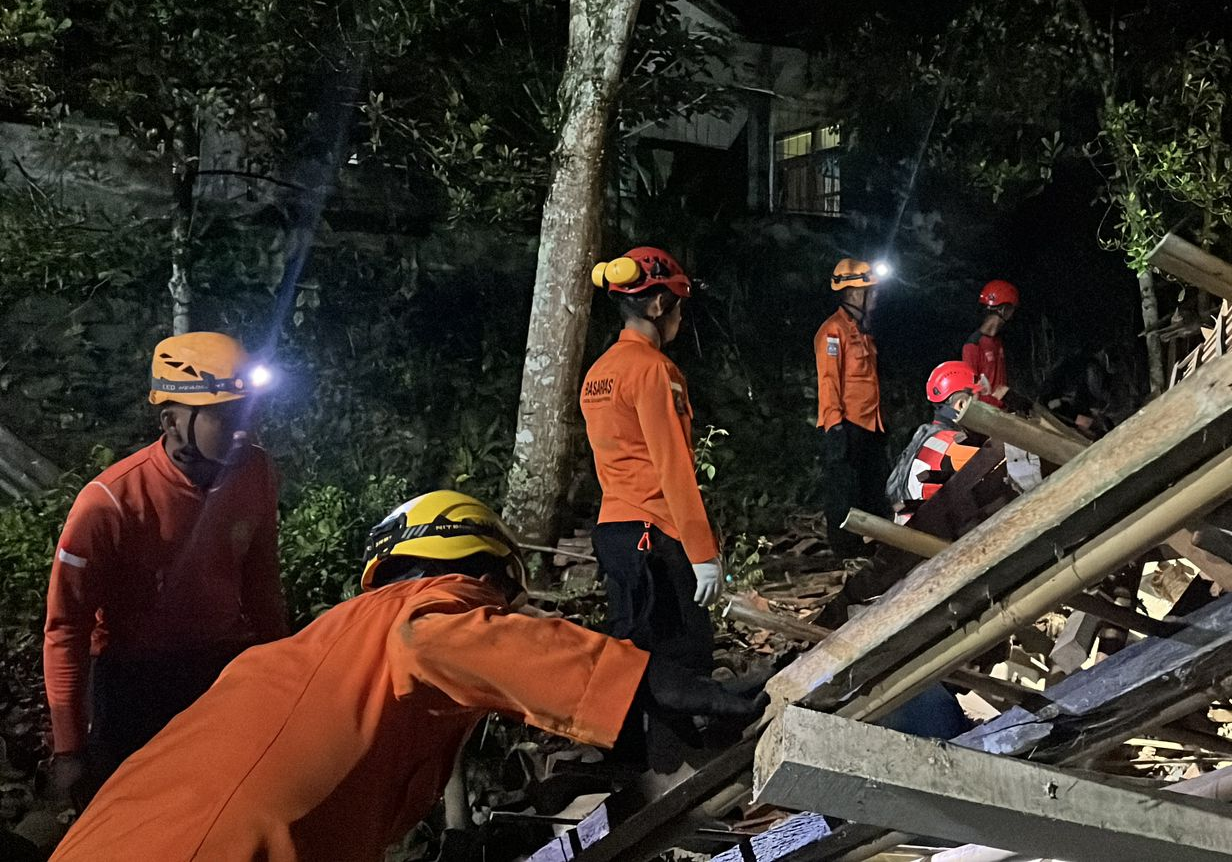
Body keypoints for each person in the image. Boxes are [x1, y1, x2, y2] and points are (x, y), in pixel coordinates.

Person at [50, 490, 759, 861]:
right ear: (482, 572)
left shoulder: (326, 651)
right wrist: (634, 682)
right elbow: (442, 640)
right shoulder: (418, 608)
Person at [44, 331, 287, 807]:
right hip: (135, 684)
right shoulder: (109, 503)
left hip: (222, 669)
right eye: (223, 414)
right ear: (170, 420)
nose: (242, 430)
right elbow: (65, 628)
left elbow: (262, 584)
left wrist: (283, 677)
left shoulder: (255, 472)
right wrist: (69, 750)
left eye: (247, 411)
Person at [582, 246, 721, 677]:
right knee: (683, 660)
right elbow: (673, 466)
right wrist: (703, 553)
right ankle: (684, 747)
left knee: (634, 666)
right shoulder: (654, 370)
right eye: (678, 306)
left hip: (615, 536)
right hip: (657, 537)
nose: (679, 318)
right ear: (660, 304)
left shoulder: (598, 373)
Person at [814, 257, 890, 558]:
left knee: (873, 491)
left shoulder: (863, 332)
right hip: (848, 426)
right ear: (856, 293)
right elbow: (829, 381)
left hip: (872, 424)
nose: (877, 296)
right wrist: (835, 427)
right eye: (872, 290)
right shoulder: (833, 332)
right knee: (844, 494)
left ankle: (876, 550)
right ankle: (847, 554)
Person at [886, 361, 985, 523]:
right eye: (978, 401)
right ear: (962, 405)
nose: (983, 407)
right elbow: (995, 466)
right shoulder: (953, 443)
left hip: (915, 526)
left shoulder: (927, 435)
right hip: (935, 532)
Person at [963, 279, 1019, 407]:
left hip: (1002, 411)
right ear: (1004, 310)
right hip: (988, 417)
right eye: (1012, 309)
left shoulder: (998, 341)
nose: (1013, 314)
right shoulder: (973, 345)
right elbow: (973, 393)